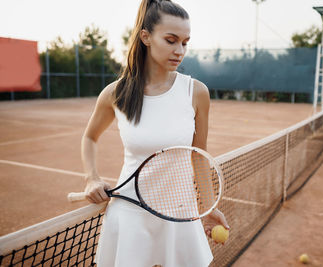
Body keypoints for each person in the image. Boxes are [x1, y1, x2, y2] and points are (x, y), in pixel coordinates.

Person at [80, 0, 229, 266]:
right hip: (130, 214)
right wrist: (91, 178)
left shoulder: (196, 92)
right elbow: (90, 137)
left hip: (180, 213)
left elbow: (198, 155)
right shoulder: (115, 93)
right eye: (171, 40)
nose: (179, 50)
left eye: (185, 42)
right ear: (146, 37)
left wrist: (208, 209)